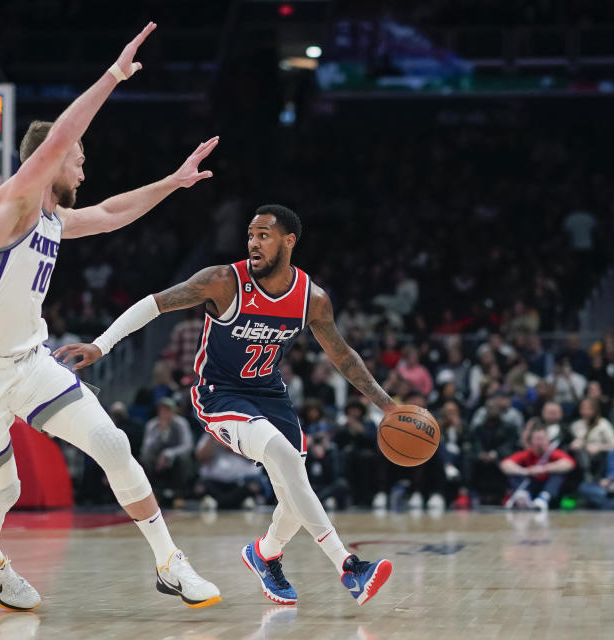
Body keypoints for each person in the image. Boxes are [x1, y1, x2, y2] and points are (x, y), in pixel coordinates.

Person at [0, 23, 221, 611]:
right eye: (78, 160)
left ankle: (169, 562)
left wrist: (174, 181)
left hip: (30, 361)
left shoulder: (53, 221)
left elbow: (112, 212)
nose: (84, 171)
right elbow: (65, 134)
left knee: (112, 443)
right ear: (54, 159)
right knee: (3, 487)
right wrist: (113, 75)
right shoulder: (7, 209)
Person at [60, 204, 395, 606]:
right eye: (251, 235)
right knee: (286, 460)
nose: (253, 242)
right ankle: (349, 567)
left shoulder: (312, 299)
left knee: (293, 491)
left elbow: (343, 356)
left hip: (270, 393)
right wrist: (102, 344)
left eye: (264, 235)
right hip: (219, 393)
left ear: (289, 242)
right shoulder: (223, 281)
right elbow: (154, 304)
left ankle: (265, 554)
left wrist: (387, 406)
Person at [500, 423, 575, 512]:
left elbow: (569, 464)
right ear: (531, 441)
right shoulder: (527, 454)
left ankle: (544, 498)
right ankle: (523, 496)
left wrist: (543, 469)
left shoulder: (554, 453)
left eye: (542, 439)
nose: (540, 442)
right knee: (514, 473)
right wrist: (525, 471)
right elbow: (505, 464)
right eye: (537, 439)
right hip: (531, 486)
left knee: (558, 475)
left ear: (547, 440)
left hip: (548, 489)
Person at [140, 397, 193, 505]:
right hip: (156, 458)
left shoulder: (181, 423)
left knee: (183, 459)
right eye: (162, 410)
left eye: (167, 410)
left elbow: (188, 445)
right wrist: (160, 432)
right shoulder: (152, 424)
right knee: (145, 458)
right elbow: (146, 448)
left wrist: (169, 454)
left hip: (175, 457)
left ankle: (179, 495)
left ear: (174, 411)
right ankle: (152, 494)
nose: (164, 413)